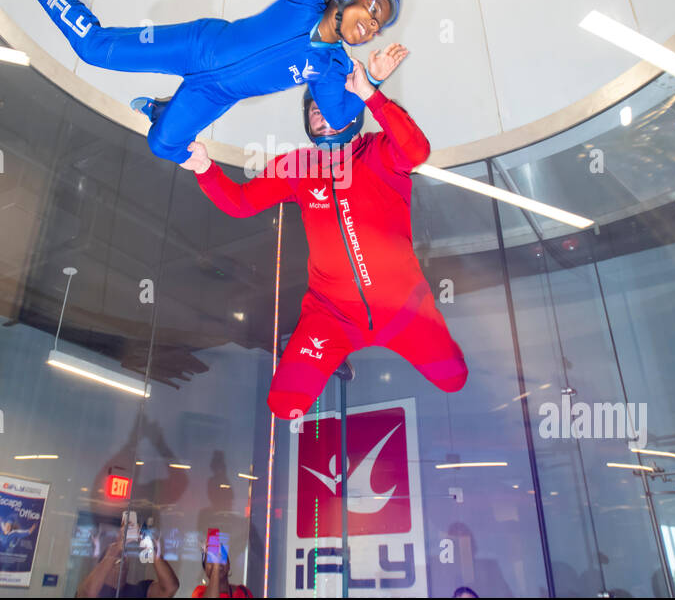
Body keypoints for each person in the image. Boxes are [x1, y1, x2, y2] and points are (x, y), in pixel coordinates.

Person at [183, 52, 469, 417]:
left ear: (351, 110)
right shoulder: (297, 166)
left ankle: (342, 356)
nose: (319, 113)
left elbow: (418, 150)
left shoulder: (380, 153)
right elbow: (241, 203)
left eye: (328, 105)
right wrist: (205, 169)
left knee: (453, 378)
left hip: (405, 309)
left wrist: (372, 94)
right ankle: (335, 358)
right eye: (312, 108)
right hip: (331, 314)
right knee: (284, 406)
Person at [0, 0, 405, 166]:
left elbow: (335, 115)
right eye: (371, 8)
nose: (370, 25)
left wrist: (375, 83)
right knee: (95, 50)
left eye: (377, 25)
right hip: (199, 46)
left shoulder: (333, 68)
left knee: (165, 146)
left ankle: (164, 111)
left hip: (215, 95)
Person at [76, 534, 179, 599]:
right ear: (105, 566)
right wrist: (116, 547)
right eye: (117, 556)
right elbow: (86, 594)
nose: (122, 558)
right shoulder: (95, 589)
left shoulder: (140, 590)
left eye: (124, 554)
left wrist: (150, 549)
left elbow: (170, 588)